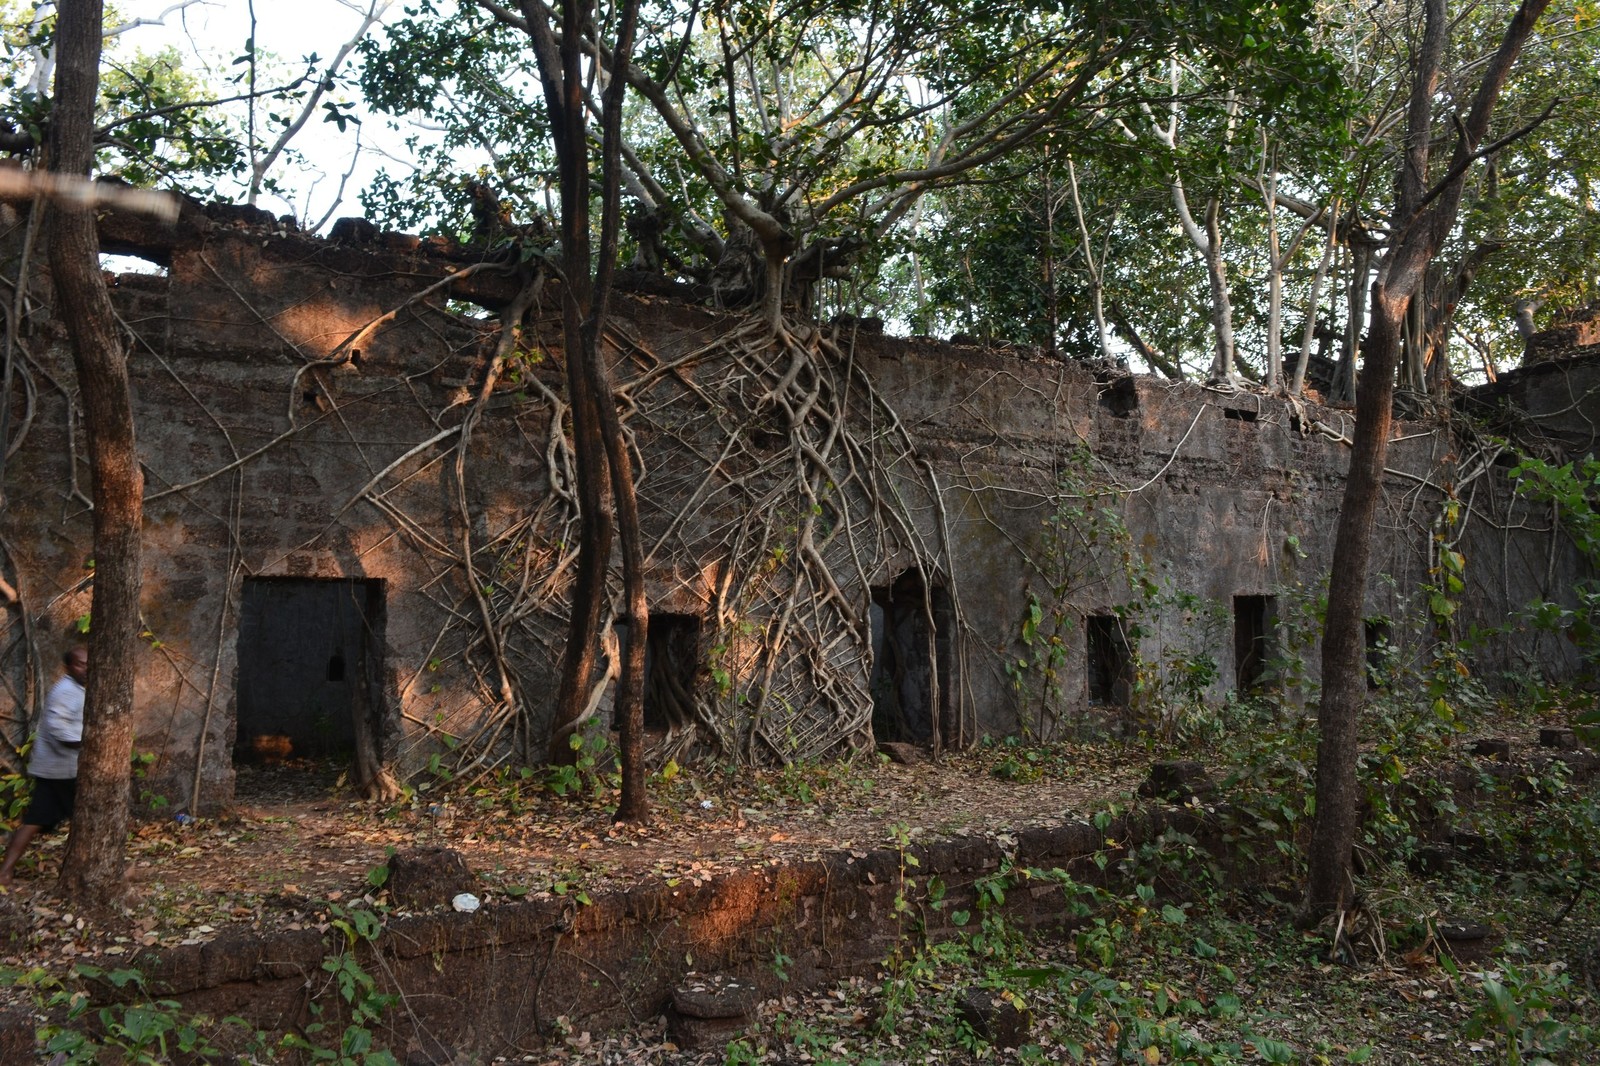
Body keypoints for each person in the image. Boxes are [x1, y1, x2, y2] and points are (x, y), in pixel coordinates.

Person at [0, 645, 88, 886]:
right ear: (68, 667)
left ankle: (5, 871)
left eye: (88, 664)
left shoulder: (78, 689)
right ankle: (102, 873)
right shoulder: (65, 691)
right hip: (62, 770)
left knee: (35, 820)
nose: (86, 669)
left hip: (56, 769)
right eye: (80, 664)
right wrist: (87, 741)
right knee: (88, 819)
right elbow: (59, 728)